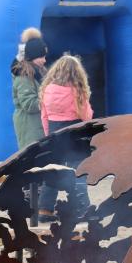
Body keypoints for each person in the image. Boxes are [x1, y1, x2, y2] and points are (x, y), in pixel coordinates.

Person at [34, 55, 94, 223]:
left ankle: (45, 209)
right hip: (76, 137)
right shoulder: (77, 90)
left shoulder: (48, 90)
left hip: (55, 135)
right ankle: (82, 208)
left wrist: (49, 135)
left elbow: (44, 117)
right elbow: (86, 116)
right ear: (77, 73)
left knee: (53, 171)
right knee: (79, 171)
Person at [12, 28, 49, 150]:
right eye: (41, 57)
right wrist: (51, 100)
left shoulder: (39, 73)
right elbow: (29, 104)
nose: (44, 60)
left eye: (45, 56)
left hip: (38, 126)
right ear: (32, 57)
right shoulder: (23, 76)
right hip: (30, 127)